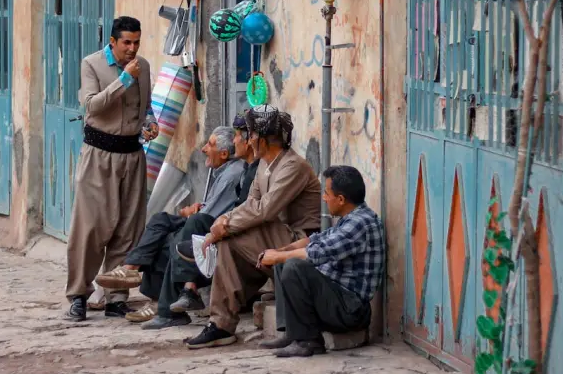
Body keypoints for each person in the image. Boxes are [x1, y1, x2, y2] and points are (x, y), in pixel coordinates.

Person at [182, 105, 321, 349]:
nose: (245, 140)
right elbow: (250, 204)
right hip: (276, 236)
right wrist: (222, 222)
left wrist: (225, 227)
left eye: (250, 135)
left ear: (263, 139)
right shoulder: (264, 165)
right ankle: (221, 325)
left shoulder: (292, 166)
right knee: (227, 240)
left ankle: (223, 322)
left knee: (231, 235)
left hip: (301, 238)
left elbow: (266, 209)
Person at [94, 122, 251, 323]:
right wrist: (197, 208)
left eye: (210, 145)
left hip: (213, 229)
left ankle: (151, 292)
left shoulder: (232, 173)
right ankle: (131, 269)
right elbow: (214, 206)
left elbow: (211, 215)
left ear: (223, 154)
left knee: (165, 240)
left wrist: (189, 213)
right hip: (208, 222)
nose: (203, 149)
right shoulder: (226, 171)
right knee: (160, 221)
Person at [65, 16, 158, 322]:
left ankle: (116, 298)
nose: (132, 49)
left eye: (137, 42)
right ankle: (78, 295)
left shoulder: (142, 66)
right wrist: (124, 80)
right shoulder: (92, 65)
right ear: (113, 43)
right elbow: (92, 106)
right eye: (127, 43)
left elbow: (144, 108)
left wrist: (149, 124)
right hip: (98, 156)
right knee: (90, 228)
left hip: (132, 156)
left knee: (127, 230)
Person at [139, 116, 261, 330]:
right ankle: (140, 274)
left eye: (239, 137)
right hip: (222, 225)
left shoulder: (238, 172)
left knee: (180, 234)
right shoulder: (239, 169)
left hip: (231, 231)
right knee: (161, 224)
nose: (235, 142)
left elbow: (245, 212)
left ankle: (177, 297)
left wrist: (196, 215)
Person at [256, 165, 385, 357]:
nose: (324, 198)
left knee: (293, 266)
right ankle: (292, 333)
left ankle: (309, 341)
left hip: (350, 310)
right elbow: (315, 239)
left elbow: (318, 253)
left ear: (341, 199)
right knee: (285, 261)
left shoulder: (360, 223)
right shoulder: (349, 218)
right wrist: (279, 251)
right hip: (337, 300)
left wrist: (280, 256)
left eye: (326, 193)